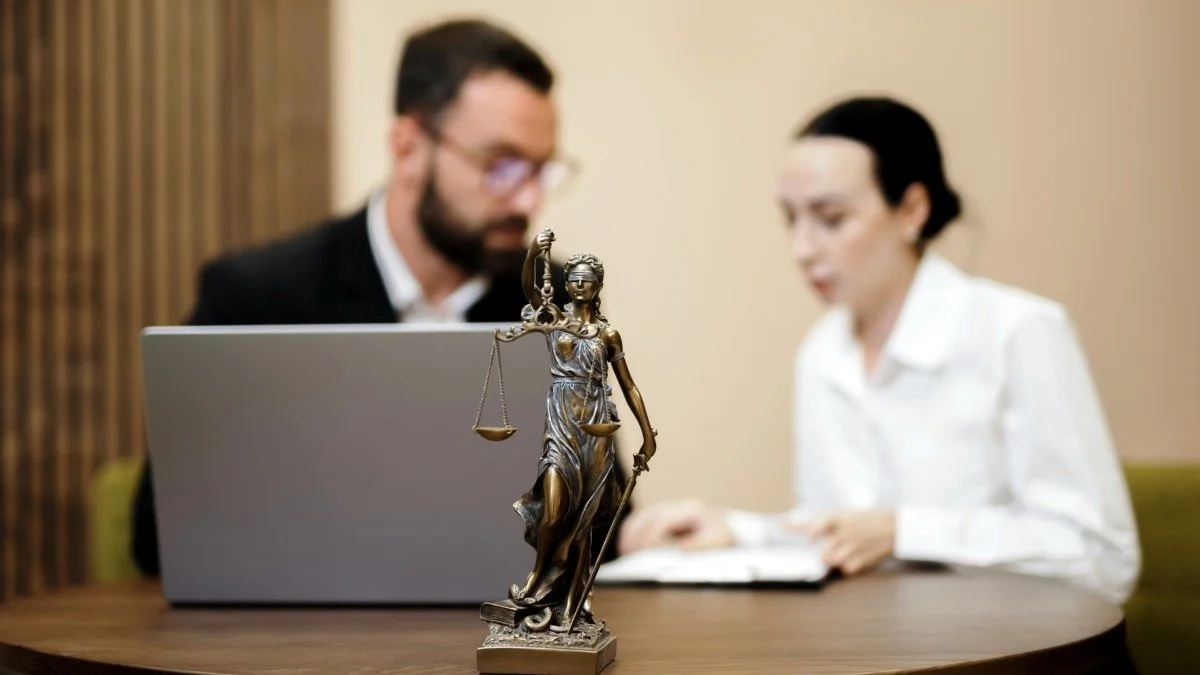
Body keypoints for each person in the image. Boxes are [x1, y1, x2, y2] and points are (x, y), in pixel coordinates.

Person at [617, 96, 1141, 604]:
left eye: (831, 218)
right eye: (791, 220)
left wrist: (905, 531)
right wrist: (736, 529)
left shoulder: (1017, 330)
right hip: (879, 648)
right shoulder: (823, 353)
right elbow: (846, 534)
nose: (802, 249)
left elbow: (1103, 559)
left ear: (912, 208)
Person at [131, 18, 581, 576]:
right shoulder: (259, 298)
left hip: (494, 630)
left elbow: (592, 508)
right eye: (502, 166)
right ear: (409, 146)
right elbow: (161, 532)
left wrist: (644, 530)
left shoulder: (553, 298)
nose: (529, 199)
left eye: (541, 169)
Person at [503, 230, 656, 632]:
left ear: (598, 285)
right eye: (574, 279)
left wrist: (648, 434)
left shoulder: (607, 334)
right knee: (553, 510)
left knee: (585, 518)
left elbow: (629, 385)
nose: (580, 285)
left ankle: (572, 605)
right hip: (561, 422)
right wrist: (535, 252)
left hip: (595, 426)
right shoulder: (555, 319)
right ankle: (538, 578)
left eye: (588, 279)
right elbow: (527, 288)